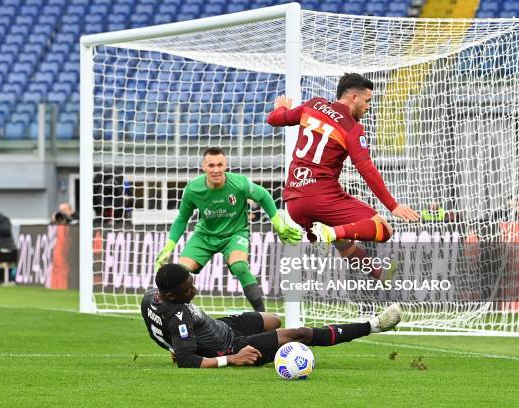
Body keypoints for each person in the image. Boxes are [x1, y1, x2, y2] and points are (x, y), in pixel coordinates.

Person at [267, 73, 419, 279]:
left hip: (294, 201)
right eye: (367, 101)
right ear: (353, 97)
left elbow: (274, 119)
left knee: (344, 244)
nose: (368, 107)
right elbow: (366, 168)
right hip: (321, 197)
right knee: (383, 229)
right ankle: (328, 233)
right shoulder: (352, 128)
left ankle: (381, 275)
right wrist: (393, 205)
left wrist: (281, 108)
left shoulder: (313, 105)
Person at [142, 264, 401, 368]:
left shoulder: (151, 297)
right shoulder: (178, 316)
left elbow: (166, 334)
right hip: (229, 346)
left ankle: (263, 339)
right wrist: (232, 358)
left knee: (273, 319)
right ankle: (374, 325)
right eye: (189, 289)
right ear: (174, 296)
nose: (194, 289)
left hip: (222, 327)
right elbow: (186, 361)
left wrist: (173, 344)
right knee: (299, 333)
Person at [154, 147, 302, 312]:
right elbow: (182, 218)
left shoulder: (239, 184)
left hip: (235, 234)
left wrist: (279, 225)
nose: (216, 170)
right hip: (205, 236)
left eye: (220, 165)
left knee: (240, 267)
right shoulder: (193, 189)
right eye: (211, 165)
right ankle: (172, 313)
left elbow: (264, 196)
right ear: (203, 167)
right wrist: (168, 247)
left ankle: (261, 315)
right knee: (179, 275)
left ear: (225, 166)